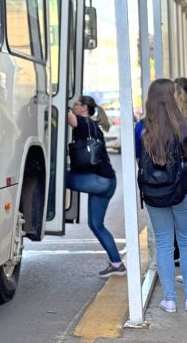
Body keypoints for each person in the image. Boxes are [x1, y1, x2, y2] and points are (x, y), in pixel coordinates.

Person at [135, 79, 187, 314]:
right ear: (173, 97)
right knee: (186, 242)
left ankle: (169, 300)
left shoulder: (141, 128)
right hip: (182, 190)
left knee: (164, 244)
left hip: (154, 192)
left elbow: (139, 158)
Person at [66, 96, 125, 278]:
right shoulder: (93, 125)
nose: (73, 106)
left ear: (84, 108)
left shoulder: (83, 122)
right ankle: (117, 264)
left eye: (76, 104)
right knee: (96, 224)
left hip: (99, 181)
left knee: (58, 177)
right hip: (107, 181)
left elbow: (67, 116)